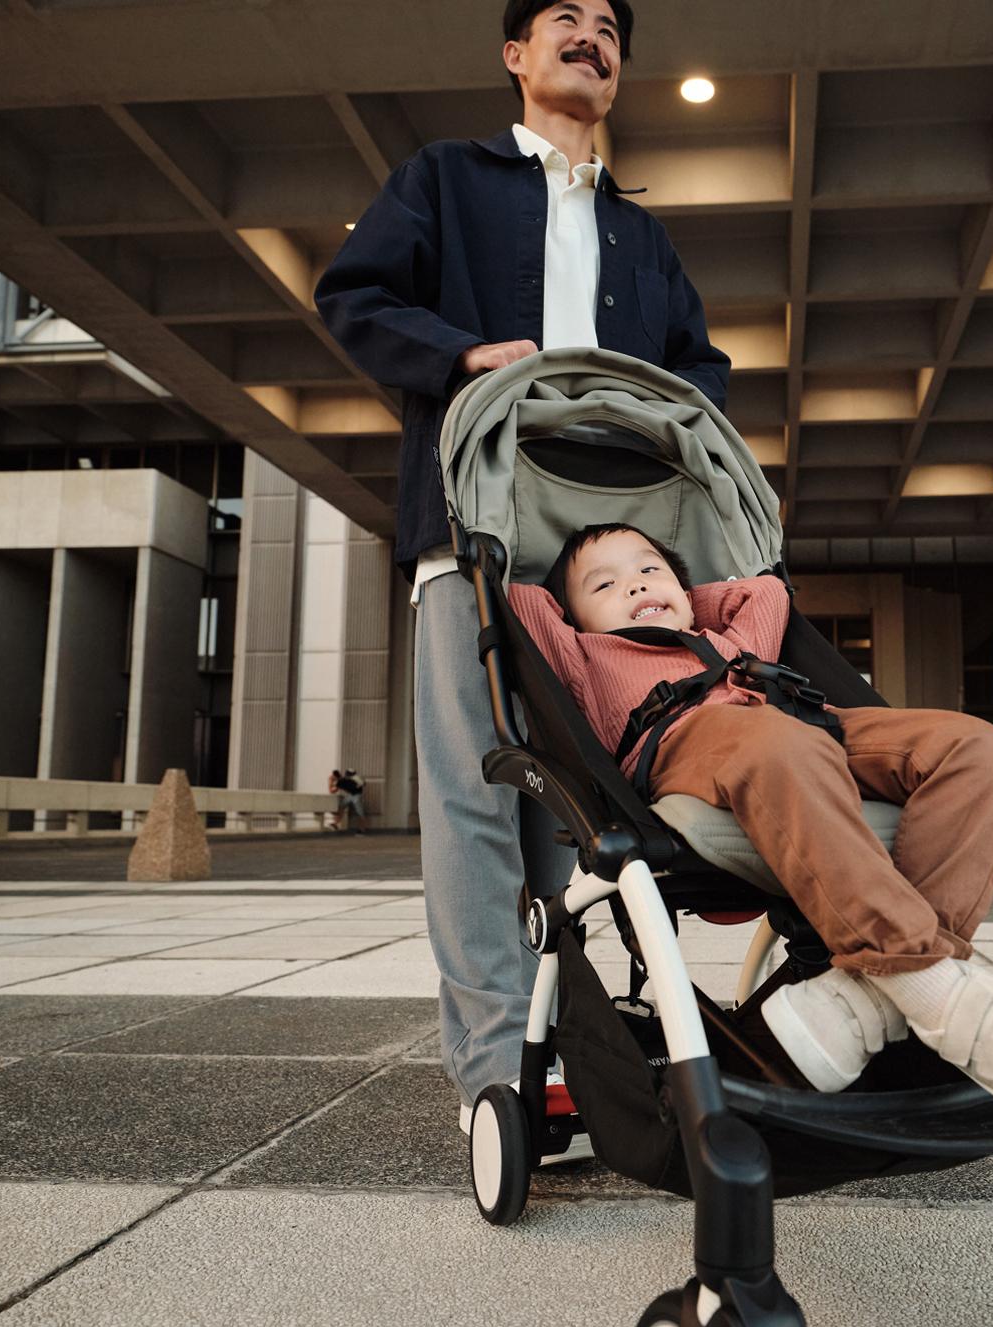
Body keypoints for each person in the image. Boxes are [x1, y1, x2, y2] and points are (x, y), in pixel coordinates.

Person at [314, 1, 729, 1145]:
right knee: (473, 796)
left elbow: (702, 369)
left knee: (581, 803)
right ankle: (498, 1066)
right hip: (473, 525)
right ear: (516, 54)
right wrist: (457, 354)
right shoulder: (445, 178)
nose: (591, 36)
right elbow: (353, 294)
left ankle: (572, 1048)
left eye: (609, 28)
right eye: (565, 18)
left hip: (602, 544)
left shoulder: (640, 234)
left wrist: (662, 425)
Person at [509, 523, 993, 1134]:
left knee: (982, 750)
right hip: (690, 743)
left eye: (650, 568)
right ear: (575, 618)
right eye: (604, 584)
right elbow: (523, 604)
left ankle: (877, 993)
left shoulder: (729, 640)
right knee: (777, 742)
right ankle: (931, 985)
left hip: (813, 727)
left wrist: (687, 600)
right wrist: (578, 594)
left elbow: (767, 591)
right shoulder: (581, 656)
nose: (636, 584)